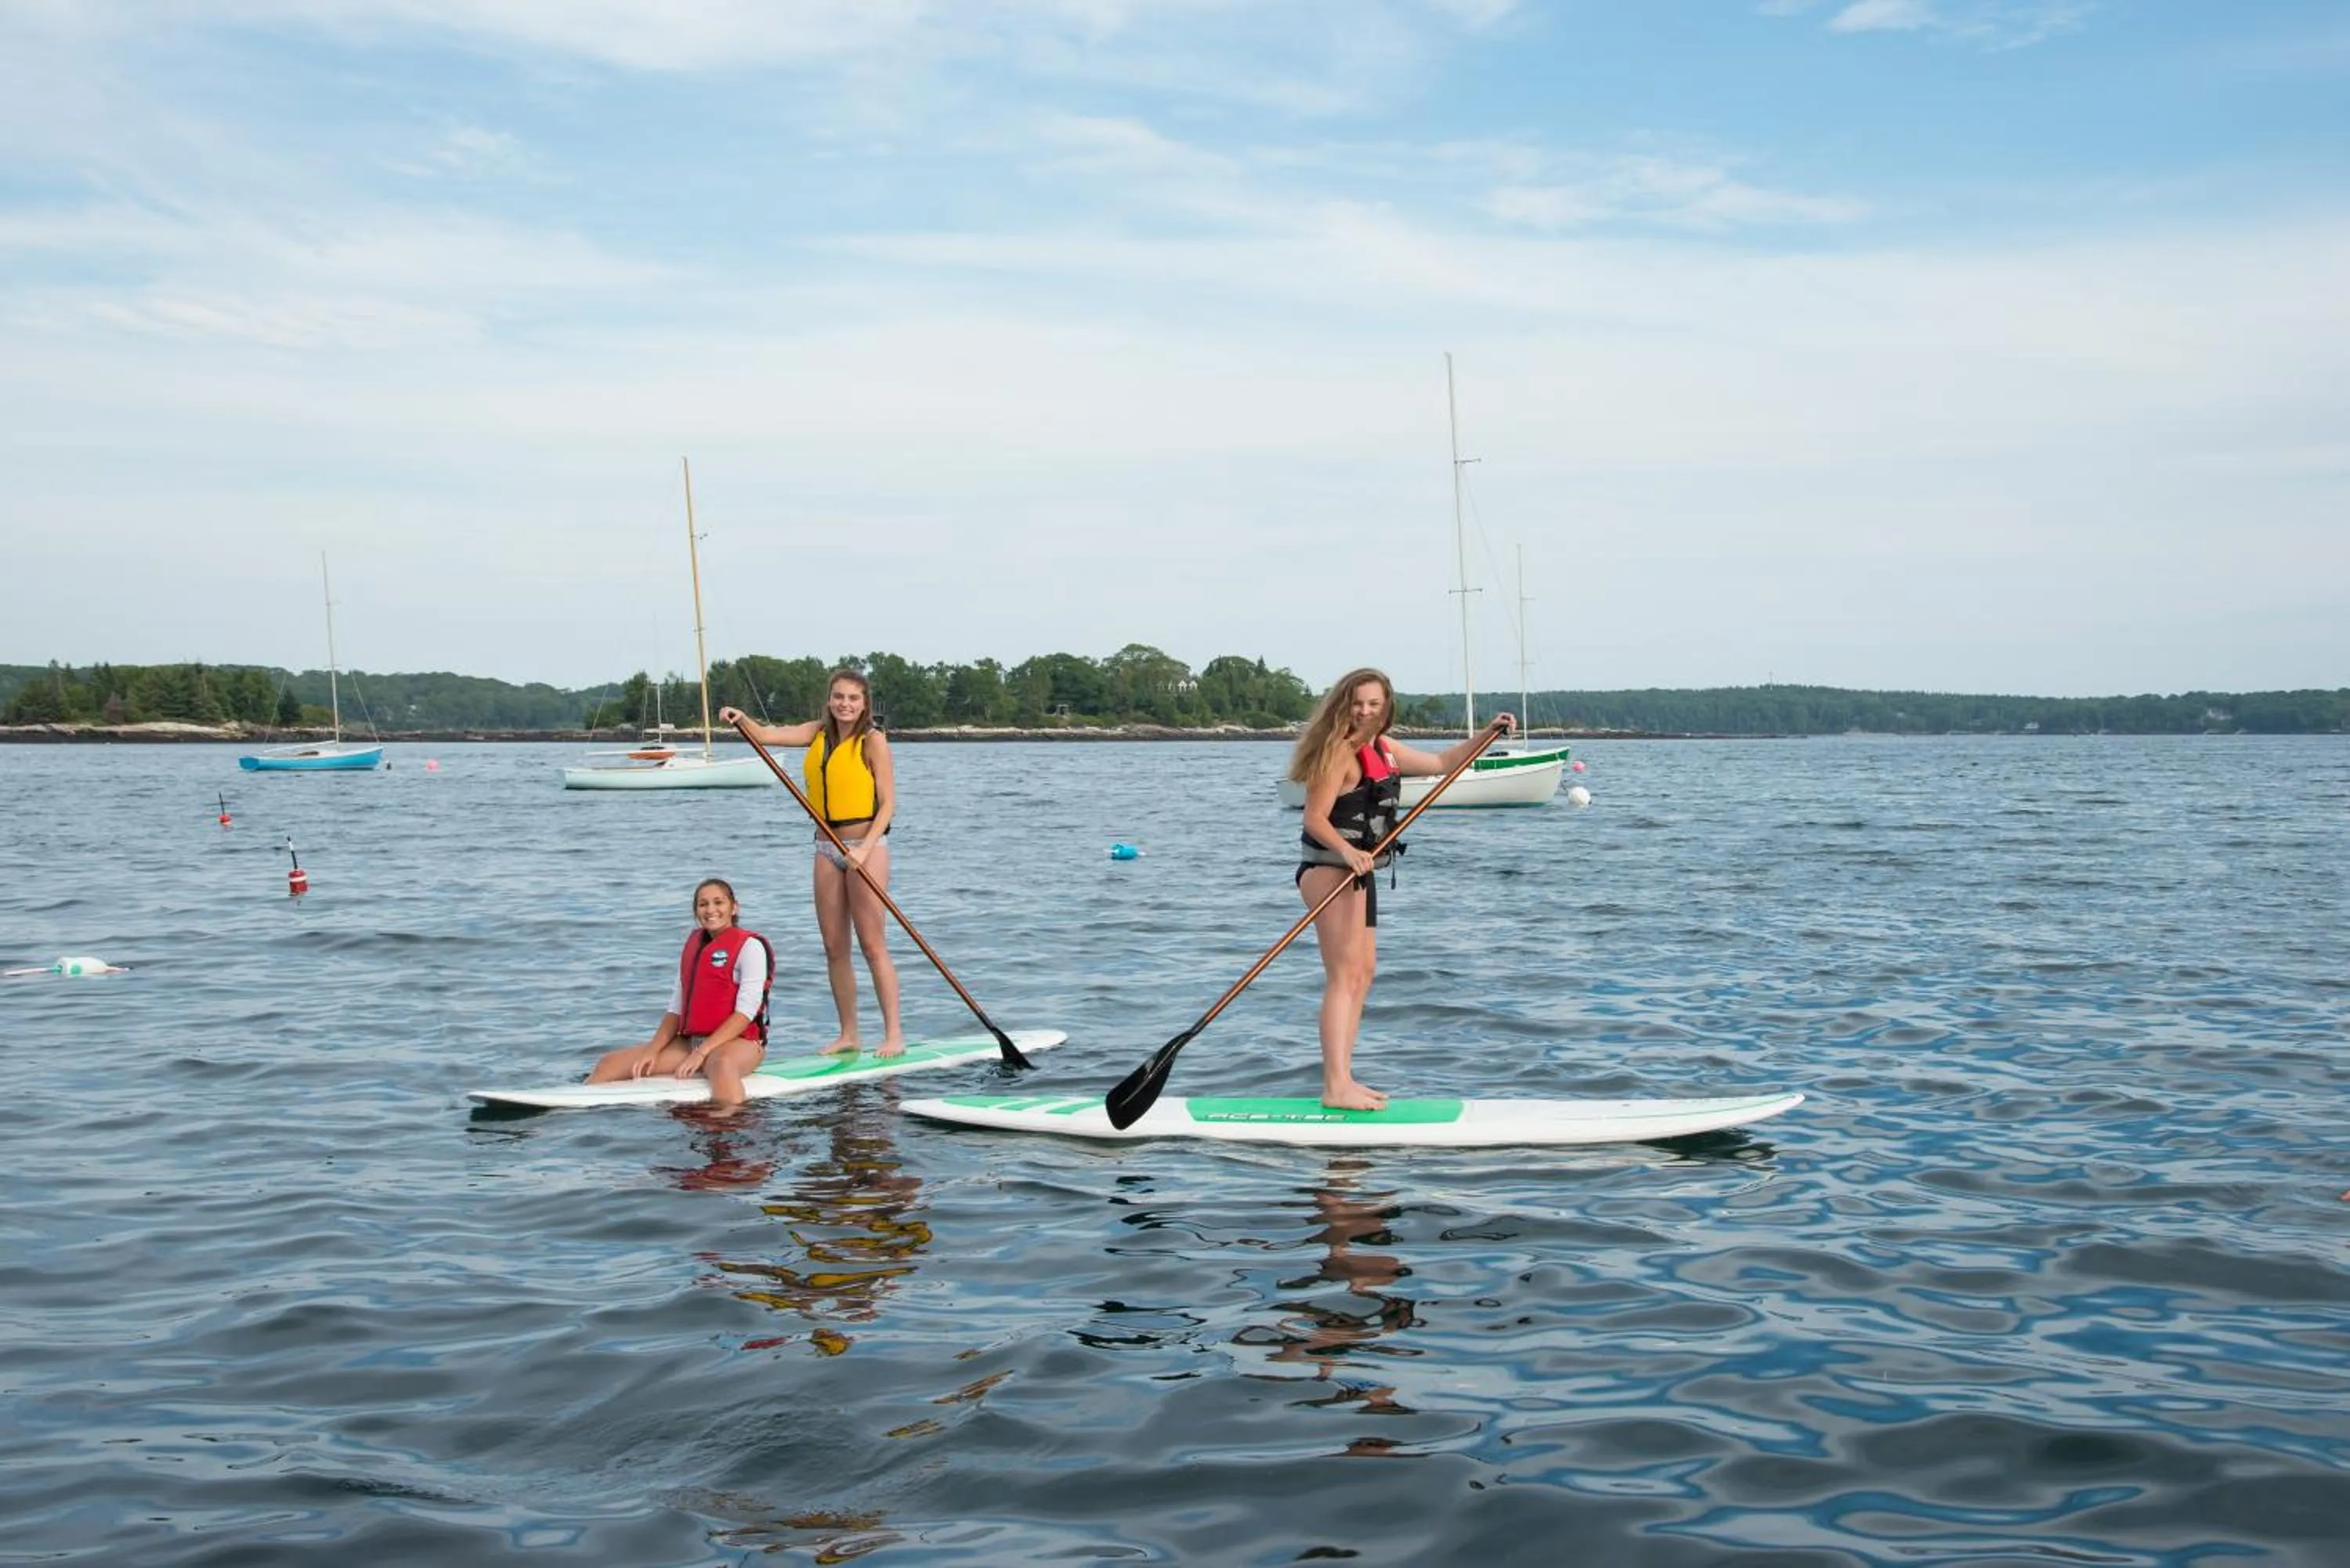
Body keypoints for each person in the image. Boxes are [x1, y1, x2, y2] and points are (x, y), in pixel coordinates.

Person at [1288, 668, 1512, 1111]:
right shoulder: (1337, 753)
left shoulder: (1383, 749)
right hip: (1329, 873)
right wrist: (1347, 853)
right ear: (1343, 704)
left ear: (1386, 706)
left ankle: (1345, 1079)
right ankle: (1335, 1085)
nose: (1365, 711)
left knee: (1363, 973)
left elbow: (1444, 764)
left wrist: (1487, 734)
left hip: (1358, 874)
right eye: (1357, 703)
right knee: (1343, 975)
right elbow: (1314, 818)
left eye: (1374, 704)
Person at [719, 670, 905, 1057]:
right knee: (834, 947)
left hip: (865, 846)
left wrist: (865, 849)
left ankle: (893, 1035)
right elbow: (767, 736)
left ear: (864, 703)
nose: (845, 704)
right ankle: (849, 1034)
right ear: (830, 699)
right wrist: (743, 719)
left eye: (853, 698)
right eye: (839, 697)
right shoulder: (816, 733)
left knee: (872, 946)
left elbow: (888, 804)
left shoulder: (873, 741)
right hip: (825, 848)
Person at [587, 877, 773, 1110]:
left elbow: (745, 1013)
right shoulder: (694, 947)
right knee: (609, 1064)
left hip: (739, 1044)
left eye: (718, 902)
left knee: (721, 1065)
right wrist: (652, 1051)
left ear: (734, 907)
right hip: (691, 1044)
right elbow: (676, 1009)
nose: (711, 910)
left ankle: (730, 1129)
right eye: (703, 904)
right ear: (696, 911)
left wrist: (702, 1053)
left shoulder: (750, 948)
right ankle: (572, 1109)